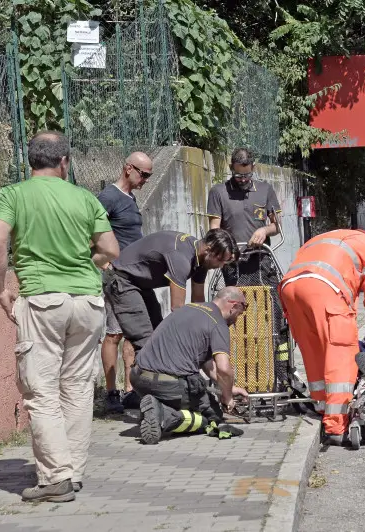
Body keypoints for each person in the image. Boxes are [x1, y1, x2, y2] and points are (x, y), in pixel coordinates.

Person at [0, 131, 119, 502]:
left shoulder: (13, 195)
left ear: (30, 161)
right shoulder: (84, 197)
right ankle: (73, 472)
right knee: (77, 387)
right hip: (89, 303)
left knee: (41, 390)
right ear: (65, 162)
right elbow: (110, 249)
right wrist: (81, 264)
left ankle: (55, 477)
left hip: (43, 300)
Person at [279, 229, 365, 445]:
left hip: (289, 289)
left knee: (314, 350)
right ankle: (336, 424)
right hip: (324, 290)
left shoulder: (323, 238)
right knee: (341, 355)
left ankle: (321, 406)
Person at [206, 147, 290, 387]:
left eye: (246, 175)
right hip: (233, 267)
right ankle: (238, 377)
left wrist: (264, 230)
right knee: (235, 320)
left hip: (261, 262)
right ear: (231, 168)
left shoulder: (265, 190)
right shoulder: (219, 192)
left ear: (253, 168)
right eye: (238, 175)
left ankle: (278, 376)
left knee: (272, 319)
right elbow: (214, 230)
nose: (242, 180)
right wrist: (227, 249)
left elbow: (276, 226)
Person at [132, 287, 250, 444]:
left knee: (186, 395)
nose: (236, 319)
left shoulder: (189, 308)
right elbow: (223, 368)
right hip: (169, 384)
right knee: (212, 415)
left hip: (138, 378)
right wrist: (227, 397)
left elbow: (207, 363)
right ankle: (164, 416)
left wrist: (229, 388)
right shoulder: (217, 322)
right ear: (233, 305)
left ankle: (157, 405)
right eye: (239, 313)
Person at [103, 228, 238, 356]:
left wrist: (204, 329)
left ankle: (144, 378)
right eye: (220, 260)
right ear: (208, 250)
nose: (220, 266)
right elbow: (177, 309)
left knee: (157, 335)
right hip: (121, 279)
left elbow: (198, 303)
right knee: (146, 341)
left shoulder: (201, 260)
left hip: (140, 285)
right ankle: (146, 379)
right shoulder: (181, 257)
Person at [97, 151, 153, 414]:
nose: (146, 180)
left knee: (133, 333)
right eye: (144, 174)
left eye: (150, 176)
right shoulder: (108, 197)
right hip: (117, 278)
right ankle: (111, 393)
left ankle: (131, 390)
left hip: (136, 276)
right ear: (128, 168)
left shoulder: (130, 199)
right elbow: (91, 231)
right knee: (114, 333)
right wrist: (105, 263)